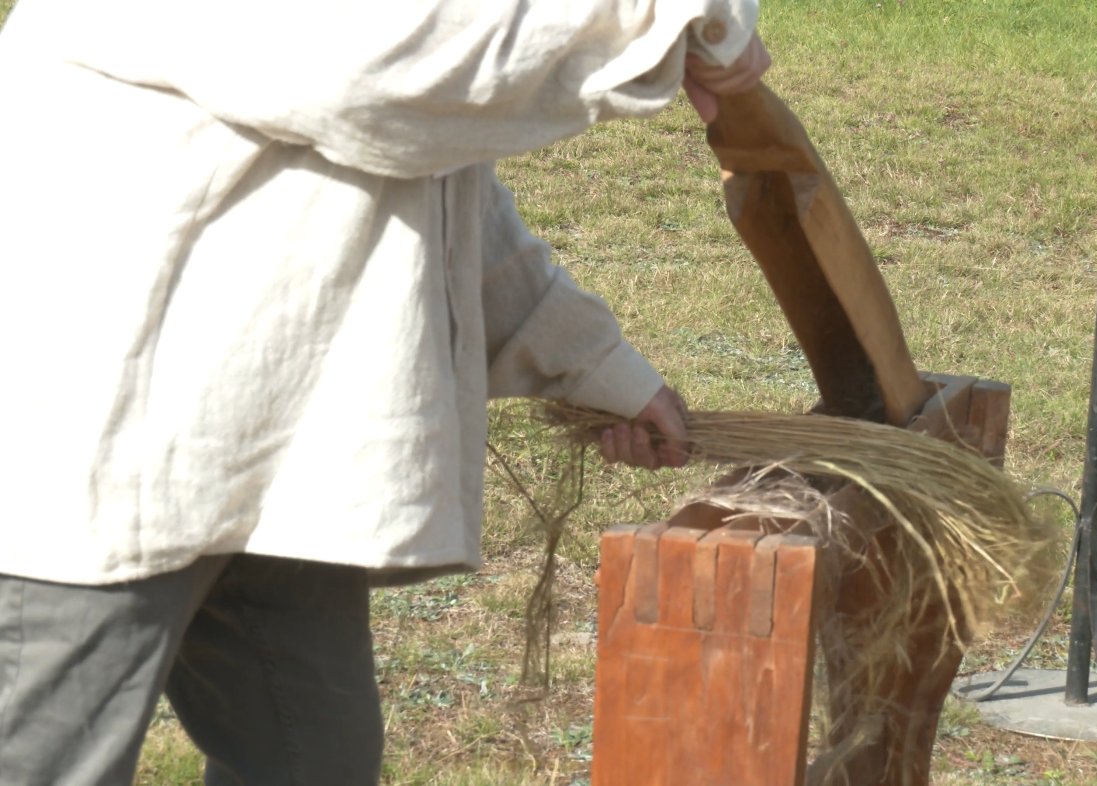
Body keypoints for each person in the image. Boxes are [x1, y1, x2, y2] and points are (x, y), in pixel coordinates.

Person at [0, 0, 770, 783]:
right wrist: (665, 18)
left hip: (270, 460)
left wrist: (596, 367)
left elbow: (436, 186)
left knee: (314, 765)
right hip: (95, 451)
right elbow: (377, 76)